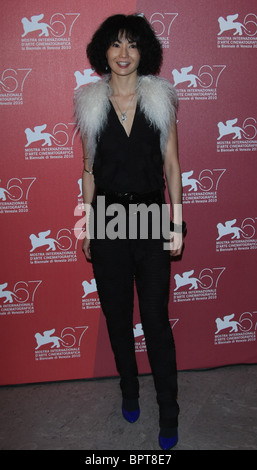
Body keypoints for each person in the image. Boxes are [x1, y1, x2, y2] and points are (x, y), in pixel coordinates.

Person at [74, 14, 186, 450]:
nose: (124, 54)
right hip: (107, 222)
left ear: (145, 53)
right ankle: (129, 391)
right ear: (103, 49)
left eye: (133, 45)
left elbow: (173, 167)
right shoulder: (89, 103)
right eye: (116, 45)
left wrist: (176, 224)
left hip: (152, 220)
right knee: (119, 320)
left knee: (156, 322)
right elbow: (87, 170)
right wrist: (87, 226)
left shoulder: (161, 100)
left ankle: (170, 412)